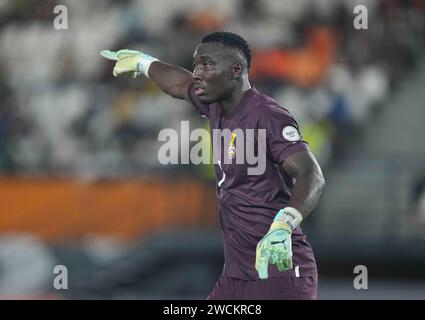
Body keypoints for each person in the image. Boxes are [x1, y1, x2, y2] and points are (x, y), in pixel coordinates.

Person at [101, 31, 325, 300]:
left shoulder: (267, 115)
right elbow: (177, 84)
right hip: (236, 275)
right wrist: (143, 62)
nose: (197, 72)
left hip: (278, 270)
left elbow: (311, 174)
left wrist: (284, 225)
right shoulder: (217, 105)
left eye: (206, 65)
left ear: (236, 70)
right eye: (196, 64)